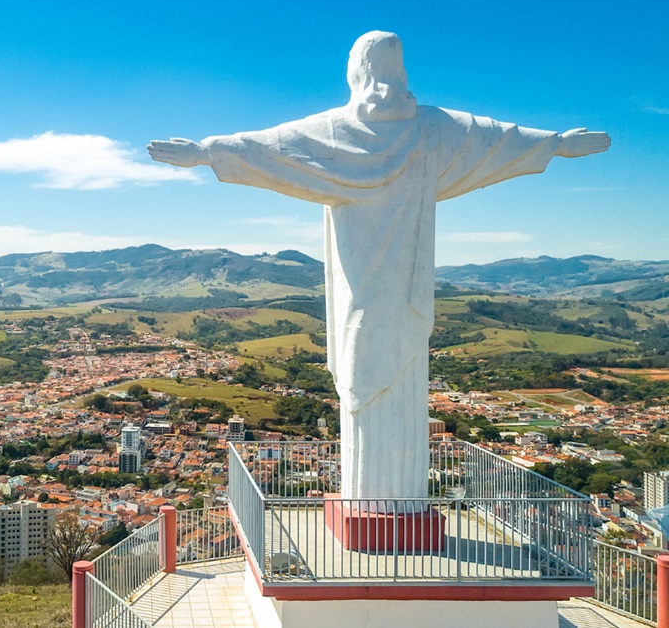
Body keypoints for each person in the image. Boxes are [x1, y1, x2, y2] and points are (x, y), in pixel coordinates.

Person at [149, 31, 609, 504]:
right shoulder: (433, 128)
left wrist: (206, 153)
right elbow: (493, 140)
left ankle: (384, 511)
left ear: (356, 71)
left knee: (368, 373)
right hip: (401, 295)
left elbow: (270, 148)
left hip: (367, 296)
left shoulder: (337, 133)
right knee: (379, 376)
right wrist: (553, 143)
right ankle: (387, 504)